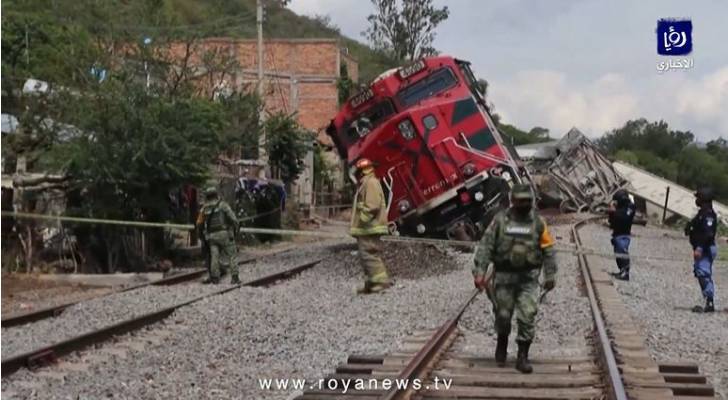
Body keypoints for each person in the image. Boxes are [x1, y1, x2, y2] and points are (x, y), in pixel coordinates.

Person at [473, 183, 557, 373]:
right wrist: (480, 272)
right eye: (520, 201)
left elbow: (549, 250)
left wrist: (550, 275)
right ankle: (502, 343)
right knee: (503, 316)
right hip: (503, 278)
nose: (524, 204)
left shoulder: (538, 223)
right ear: (512, 201)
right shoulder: (500, 221)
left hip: (528, 279)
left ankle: (522, 356)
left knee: (527, 316)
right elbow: (486, 246)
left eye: (527, 201)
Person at [350, 158, 391, 294]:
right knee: (366, 255)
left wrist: (362, 220)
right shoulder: (367, 183)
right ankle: (371, 283)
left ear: (362, 171)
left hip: (369, 227)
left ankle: (380, 283)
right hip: (367, 227)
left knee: (369, 255)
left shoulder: (370, 183)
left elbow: (372, 205)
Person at [196, 186, 240, 284]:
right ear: (216, 194)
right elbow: (234, 219)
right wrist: (236, 230)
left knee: (214, 256)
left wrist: (202, 236)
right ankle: (235, 277)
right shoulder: (223, 205)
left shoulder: (204, 208)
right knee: (232, 255)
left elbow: (199, 223)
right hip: (224, 234)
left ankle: (215, 278)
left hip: (211, 236)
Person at [685, 187, 718, 313]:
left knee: (703, 273)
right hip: (702, 248)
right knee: (700, 273)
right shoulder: (702, 213)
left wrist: (699, 248)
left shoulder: (708, 215)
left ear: (704, 199)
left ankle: (710, 302)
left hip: (705, 248)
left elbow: (708, 234)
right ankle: (707, 299)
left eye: (698, 197)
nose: (696, 200)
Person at [607, 189, 636, 281]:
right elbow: (612, 221)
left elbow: (624, 218)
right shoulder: (620, 208)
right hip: (617, 234)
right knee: (618, 252)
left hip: (624, 234)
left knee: (622, 251)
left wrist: (614, 212)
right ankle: (621, 271)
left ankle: (625, 273)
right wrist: (611, 213)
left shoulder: (630, 207)